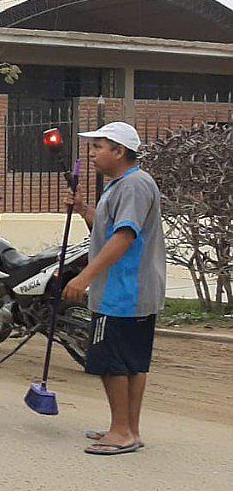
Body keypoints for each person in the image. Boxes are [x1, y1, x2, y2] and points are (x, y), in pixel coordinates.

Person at [62, 121, 166, 456]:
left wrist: (84, 277)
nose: (92, 155)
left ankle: (121, 431)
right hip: (133, 291)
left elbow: (124, 237)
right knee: (133, 363)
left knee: (112, 362)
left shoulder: (133, 186)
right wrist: (83, 210)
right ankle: (128, 429)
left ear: (119, 151)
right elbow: (108, 229)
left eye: (98, 147)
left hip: (121, 292)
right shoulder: (125, 184)